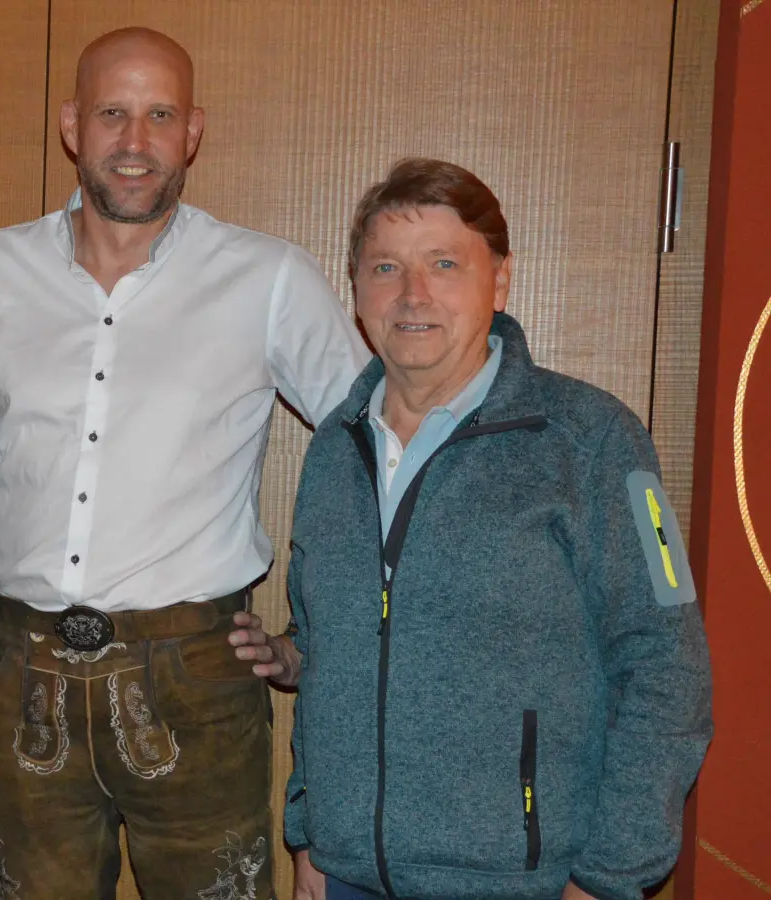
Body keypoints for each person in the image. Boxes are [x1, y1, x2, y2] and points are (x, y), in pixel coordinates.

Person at [0, 26, 370, 899]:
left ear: (193, 132)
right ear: (71, 126)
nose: (135, 143)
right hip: (20, 675)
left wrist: (314, 640)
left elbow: (376, 458)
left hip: (197, 680)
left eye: (160, 115)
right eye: (112, 114)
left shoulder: (269, 278)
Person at [274, 157, 712, 900]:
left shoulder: (595, 440)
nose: (412, 294)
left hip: (525, 882)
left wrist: (609, 877)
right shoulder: (333, 447)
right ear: (356, 290)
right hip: (345, 877)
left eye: (444, 263)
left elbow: (668, 668)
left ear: (499, 280)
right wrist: (312, 832)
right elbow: (329, 653)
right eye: (386, 267)